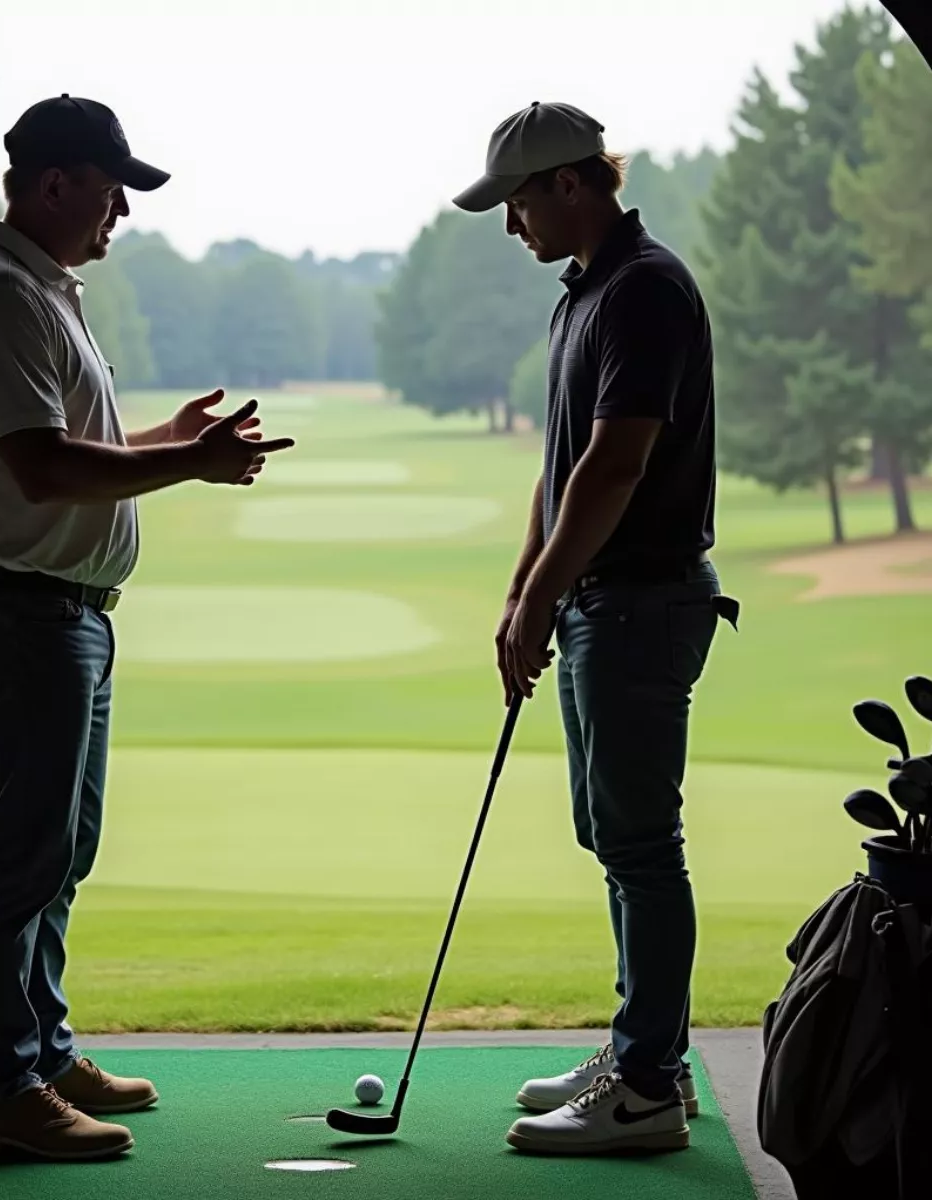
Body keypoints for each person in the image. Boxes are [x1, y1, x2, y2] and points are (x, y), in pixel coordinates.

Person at [0, 94, 295, 1162]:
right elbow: (39, 467)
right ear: (55, 184)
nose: (122, 213)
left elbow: (65, 439)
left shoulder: (42, 290)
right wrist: (191, 462)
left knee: (61, 851)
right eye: (111, 190)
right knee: (24, 855)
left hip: (66, 616)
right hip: (25, 614)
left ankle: (39, 1052)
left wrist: (159, 436)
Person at [452, 101, 738, 1156]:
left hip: (643, 600)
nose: (512, 223)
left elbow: (617, 465)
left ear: (571, 184)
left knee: (641, 844)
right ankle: (638, 1051)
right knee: (614, 836)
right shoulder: (587, 294)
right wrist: (524, 590)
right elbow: (561, 467)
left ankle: (650, 1087)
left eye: (518, 200)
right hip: (595, 604)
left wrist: (542, 599)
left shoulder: (646, 289)